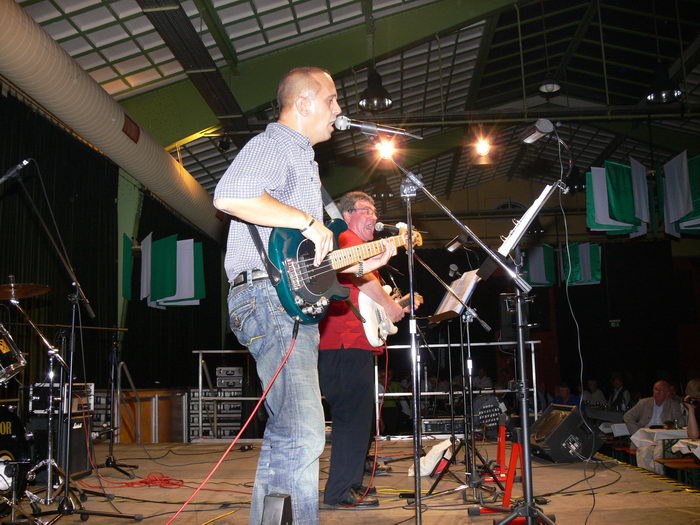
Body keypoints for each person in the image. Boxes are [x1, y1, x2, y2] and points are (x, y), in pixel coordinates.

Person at [213, 68, 395, 525]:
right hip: (267, 299)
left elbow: (315, 261)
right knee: (304, 431)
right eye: (332, 100)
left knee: (289, 432)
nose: (339, 110)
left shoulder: (306, 167)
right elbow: (229, 195)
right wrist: (309, 222)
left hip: (285, 303)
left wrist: (373, 255)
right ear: (305, 103)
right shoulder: (276, 145)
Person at [318, 191, 416, 508]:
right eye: (365, 210)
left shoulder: (357, 247)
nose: (373, 216)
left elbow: (365, 299)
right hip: (342, 343)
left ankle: (352, 481)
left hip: (350, 344)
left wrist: (396, 305)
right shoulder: (345, 238)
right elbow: (357, 278)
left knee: (358, 417)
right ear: (346, 215)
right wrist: (390, 306)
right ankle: (340, 492)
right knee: (352, 418)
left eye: (375, 210)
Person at [623, 380, 686, 474]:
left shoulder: (673, 405)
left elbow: (681, 424)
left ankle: (659, 479)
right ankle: (647, 478)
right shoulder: (644, 402)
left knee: (658, 453)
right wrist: (637, 432)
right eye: (656, 389)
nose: (657, 392)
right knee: (643, 453)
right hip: (646, 437)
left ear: (667, 393)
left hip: (664, 438)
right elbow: (627, 416)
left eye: (661, 390)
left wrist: (672, 423)